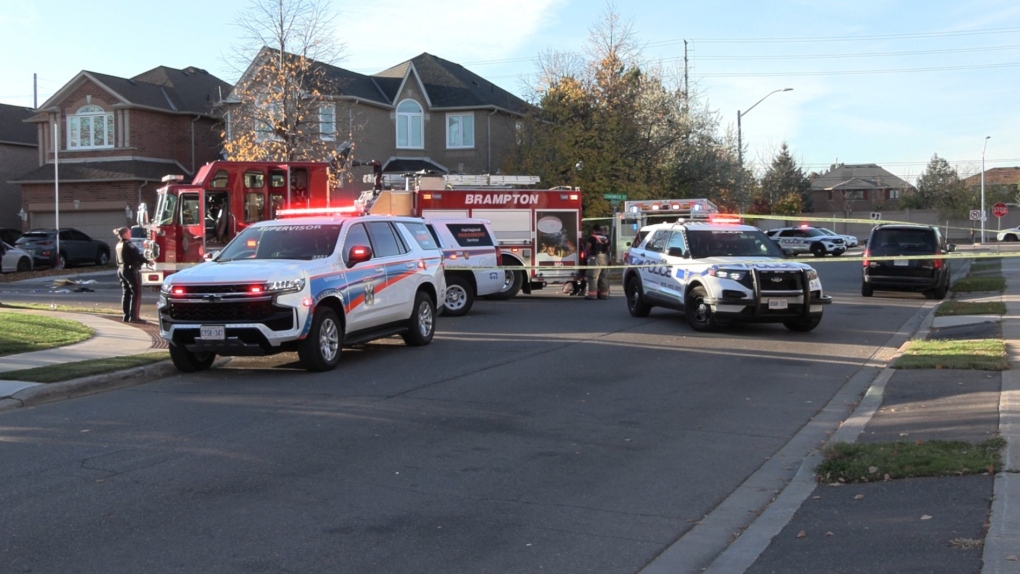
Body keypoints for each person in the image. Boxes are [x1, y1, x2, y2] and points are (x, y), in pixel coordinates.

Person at [114, 227, 148, 323]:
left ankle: (126, 316)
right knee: (136, 292)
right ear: (124, 234)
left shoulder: (118, 245)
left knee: (126, 293)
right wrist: (148, 260)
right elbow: (136, 256)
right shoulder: (128, 244)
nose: (130, 234)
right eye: (129, 232)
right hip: (129, 270)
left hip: (121, 270)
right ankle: (134, 317)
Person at [584, 224, 610, 300]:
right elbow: (608, 249)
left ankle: (592, 295)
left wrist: (586, 252)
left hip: (596, 257)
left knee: (593, 277)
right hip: (605, 257)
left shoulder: (592, 237)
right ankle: (604, 295)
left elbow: (588, 247)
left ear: (593, 230)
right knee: (603, 277)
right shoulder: (605, 238)